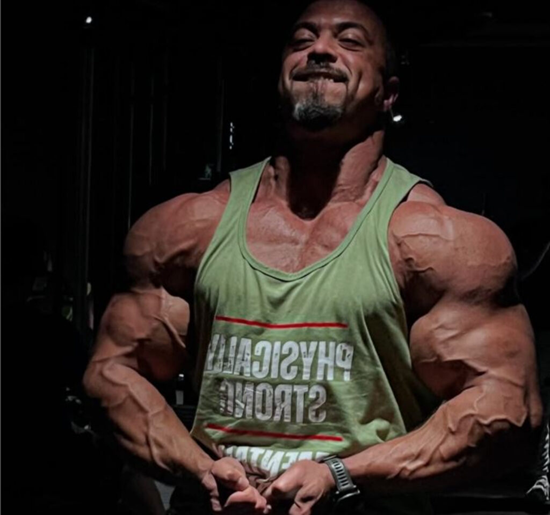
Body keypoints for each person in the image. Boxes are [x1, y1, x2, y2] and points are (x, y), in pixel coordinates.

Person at [83, 1, 543, 514]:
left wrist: (342, 476)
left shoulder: (441, 241)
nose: (320, 49)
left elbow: (509, 410)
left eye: (349, 41)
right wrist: (199, 470)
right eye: (302, 40)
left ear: (388, 94)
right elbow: (111, 375)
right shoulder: (185, 228)